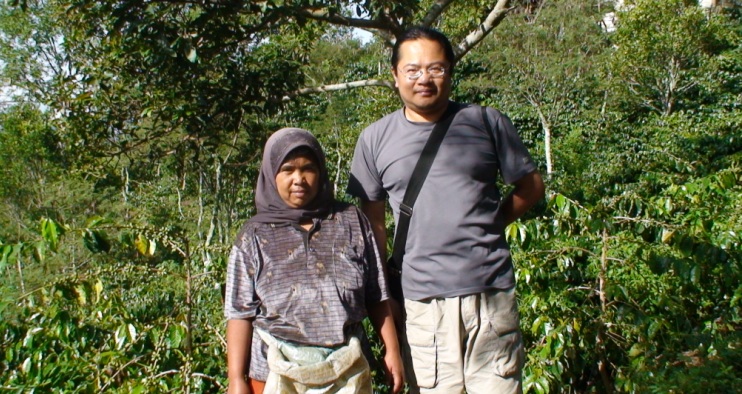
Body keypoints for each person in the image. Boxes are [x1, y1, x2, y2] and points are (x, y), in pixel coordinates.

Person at [347, 26, 545, 394]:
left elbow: (531, 187)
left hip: (490, 295)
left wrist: (492, 223)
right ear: (395, 75)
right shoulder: (374, 139)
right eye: (413, 69)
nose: (424, 78)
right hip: (423, 303)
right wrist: (383, 303)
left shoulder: (487, 122)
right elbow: (374, 227)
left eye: (436, 68)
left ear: (451, 72)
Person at [225, 128, 404, 394]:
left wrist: (392, 351)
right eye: (288, 169)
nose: (299, 179)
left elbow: (377, 294)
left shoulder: (351, 221)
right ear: (271, 174)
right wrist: (237, 379)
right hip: (275, 373)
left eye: (308, 168)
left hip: (348, 369)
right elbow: (240, 313)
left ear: (320, 173)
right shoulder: (254, 236)